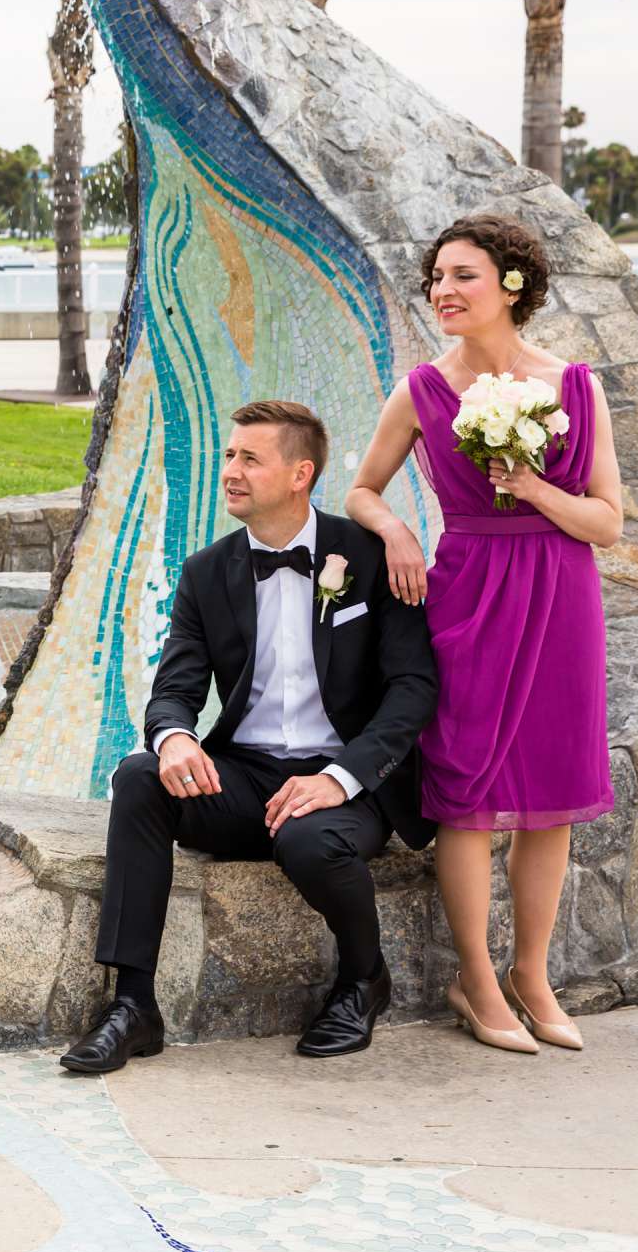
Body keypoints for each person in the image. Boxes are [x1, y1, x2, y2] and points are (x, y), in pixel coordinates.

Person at [60, 401, 438, 1075]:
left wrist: (339, 779)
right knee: (140, 778)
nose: (230, 471)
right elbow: (176, 683)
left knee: (309, 839)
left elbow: (413, 689)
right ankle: (134, 1004)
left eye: (249, 459)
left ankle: (362, 980)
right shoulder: (209, 571)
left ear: (301, 474)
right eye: (230, 455)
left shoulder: (370, 559)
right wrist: (174, 735)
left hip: (347, 781)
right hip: (245, 776)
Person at [346, 213, 619, 1054]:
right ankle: (476, 978)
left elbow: (606, 521)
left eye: (462, 275)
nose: (442, 291)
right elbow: (363, 489)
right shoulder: (421, 390)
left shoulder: (576, 386)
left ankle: (532, 974)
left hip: (561, 599)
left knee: (550, 799)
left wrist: (534, 489)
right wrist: (395, 531)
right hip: (467, 596)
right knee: (466, 794)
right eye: (436, 278)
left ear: (510, 283)